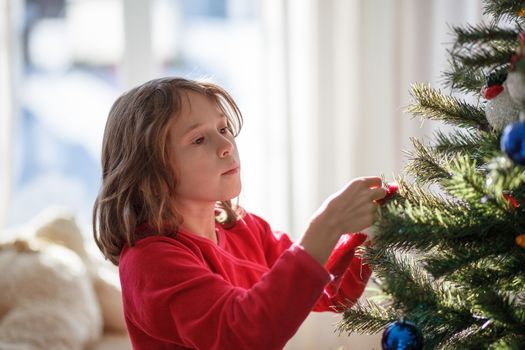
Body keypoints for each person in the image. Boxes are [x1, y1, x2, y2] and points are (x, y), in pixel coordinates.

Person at [93, 77, 388, 350]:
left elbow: (328, 291)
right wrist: (327, 224)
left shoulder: (245, 229)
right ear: (149, 173)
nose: (226, 145)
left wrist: (368, 232)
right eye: (198, 139)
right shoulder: (149, 261)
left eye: (223, 129)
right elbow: (243, 336)